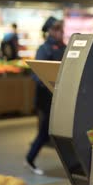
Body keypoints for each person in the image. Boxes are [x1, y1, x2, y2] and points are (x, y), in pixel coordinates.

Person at [25, 17, 66, 175]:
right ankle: (29, 159)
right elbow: (36, 74)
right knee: (45, 132)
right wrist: (48, 80)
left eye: (61, 29)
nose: (60, 33)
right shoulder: (44, 49)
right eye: (56, 30)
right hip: (46, 99)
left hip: (60, 97)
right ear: (49, 31)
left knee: (57, 131)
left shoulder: (64, 47)